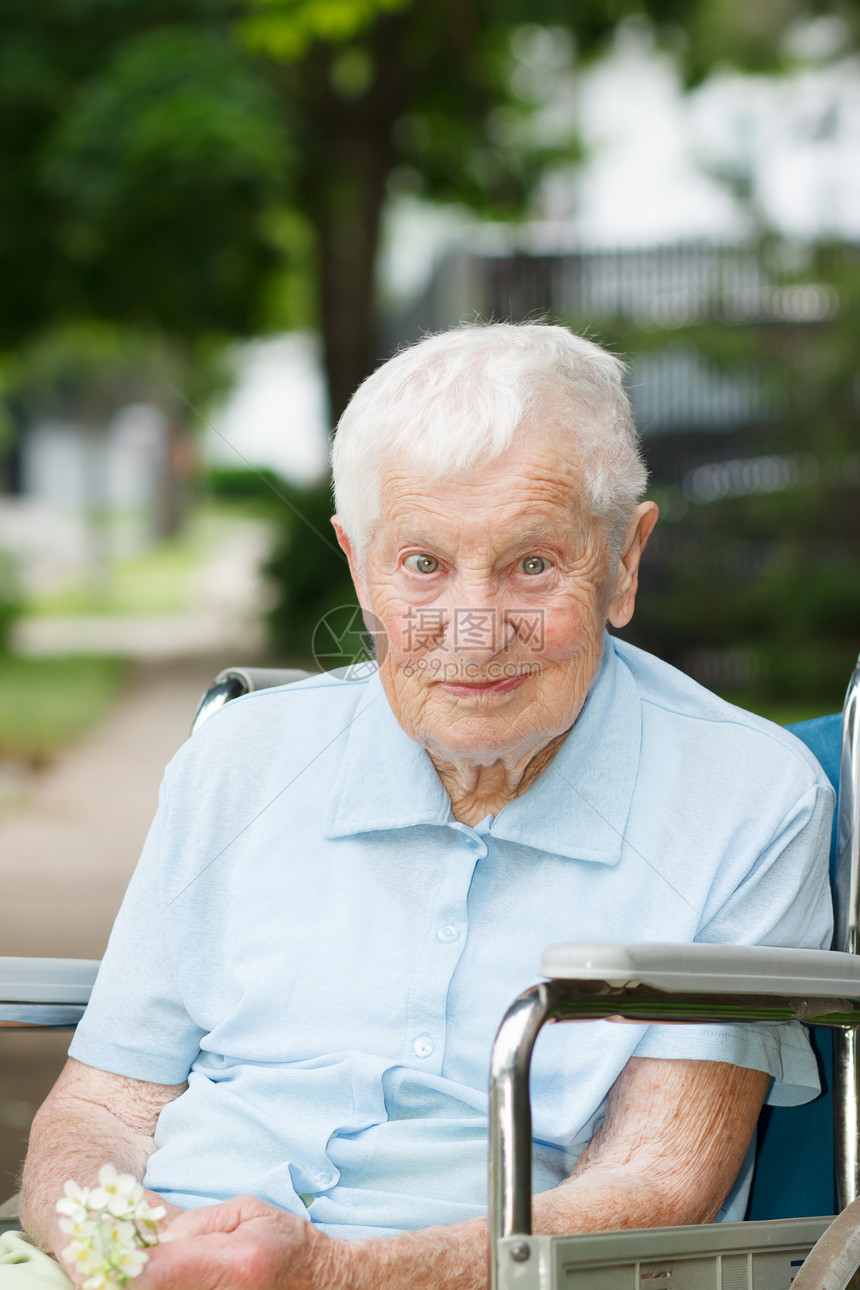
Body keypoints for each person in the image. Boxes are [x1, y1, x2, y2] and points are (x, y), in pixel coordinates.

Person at [5, 323, 833, 1290]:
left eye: (532, 564)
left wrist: (336, 1272)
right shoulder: (239, 756)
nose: (473, 631)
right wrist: (125, 1245)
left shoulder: (749, 797)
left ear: (622, 563)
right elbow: (102, 1109)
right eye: (424, 565)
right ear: (360, 569)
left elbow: (656, 1181)